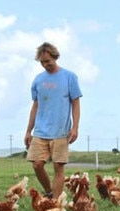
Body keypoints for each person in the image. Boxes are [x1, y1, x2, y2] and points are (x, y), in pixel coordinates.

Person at [24, 42, 82, 199]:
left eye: (48, 61)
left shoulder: (69, 77)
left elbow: (75, 103)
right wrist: (28, 130)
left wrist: (75, 127)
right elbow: (35, 106)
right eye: (42, 62)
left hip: (61, 131)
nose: (45, 65)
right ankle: (49, 191)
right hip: (41, 130)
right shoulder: (38, 80)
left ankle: (55, 203)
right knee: (37, 164)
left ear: (55, 57)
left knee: (58, 166)